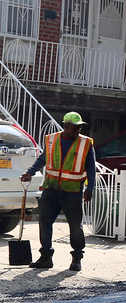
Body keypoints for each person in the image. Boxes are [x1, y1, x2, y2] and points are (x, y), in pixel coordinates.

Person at [20, 111, 96, 271]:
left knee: (75, 226)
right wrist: (30, 172)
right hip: (51, 189)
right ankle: (46, 257)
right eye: (75, 127)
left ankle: (77, 258)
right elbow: (43, 158)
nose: (78, 130)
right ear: (66, 126)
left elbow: (91, 167)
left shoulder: (86, 143)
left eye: (80, 128)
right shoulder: (52, 139)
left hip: (73, 191)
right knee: (44, 222)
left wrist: (90, 188)